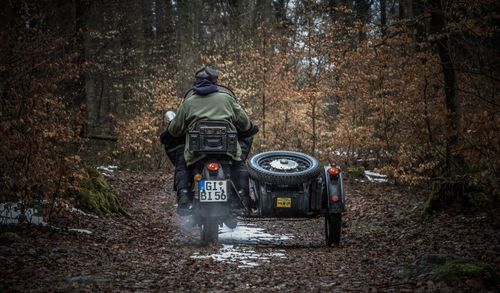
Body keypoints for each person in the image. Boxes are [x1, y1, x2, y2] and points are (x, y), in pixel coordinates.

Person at [160, 66, 257, 214]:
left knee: (183, 163)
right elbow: (245, 125)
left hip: (196, 154)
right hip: (227, 152)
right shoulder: (227, 99)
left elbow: (174, 130)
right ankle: (243, 198)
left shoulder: (189, 103)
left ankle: (184, 198)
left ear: (196, 83)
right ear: (215, 82)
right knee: (238, 164)